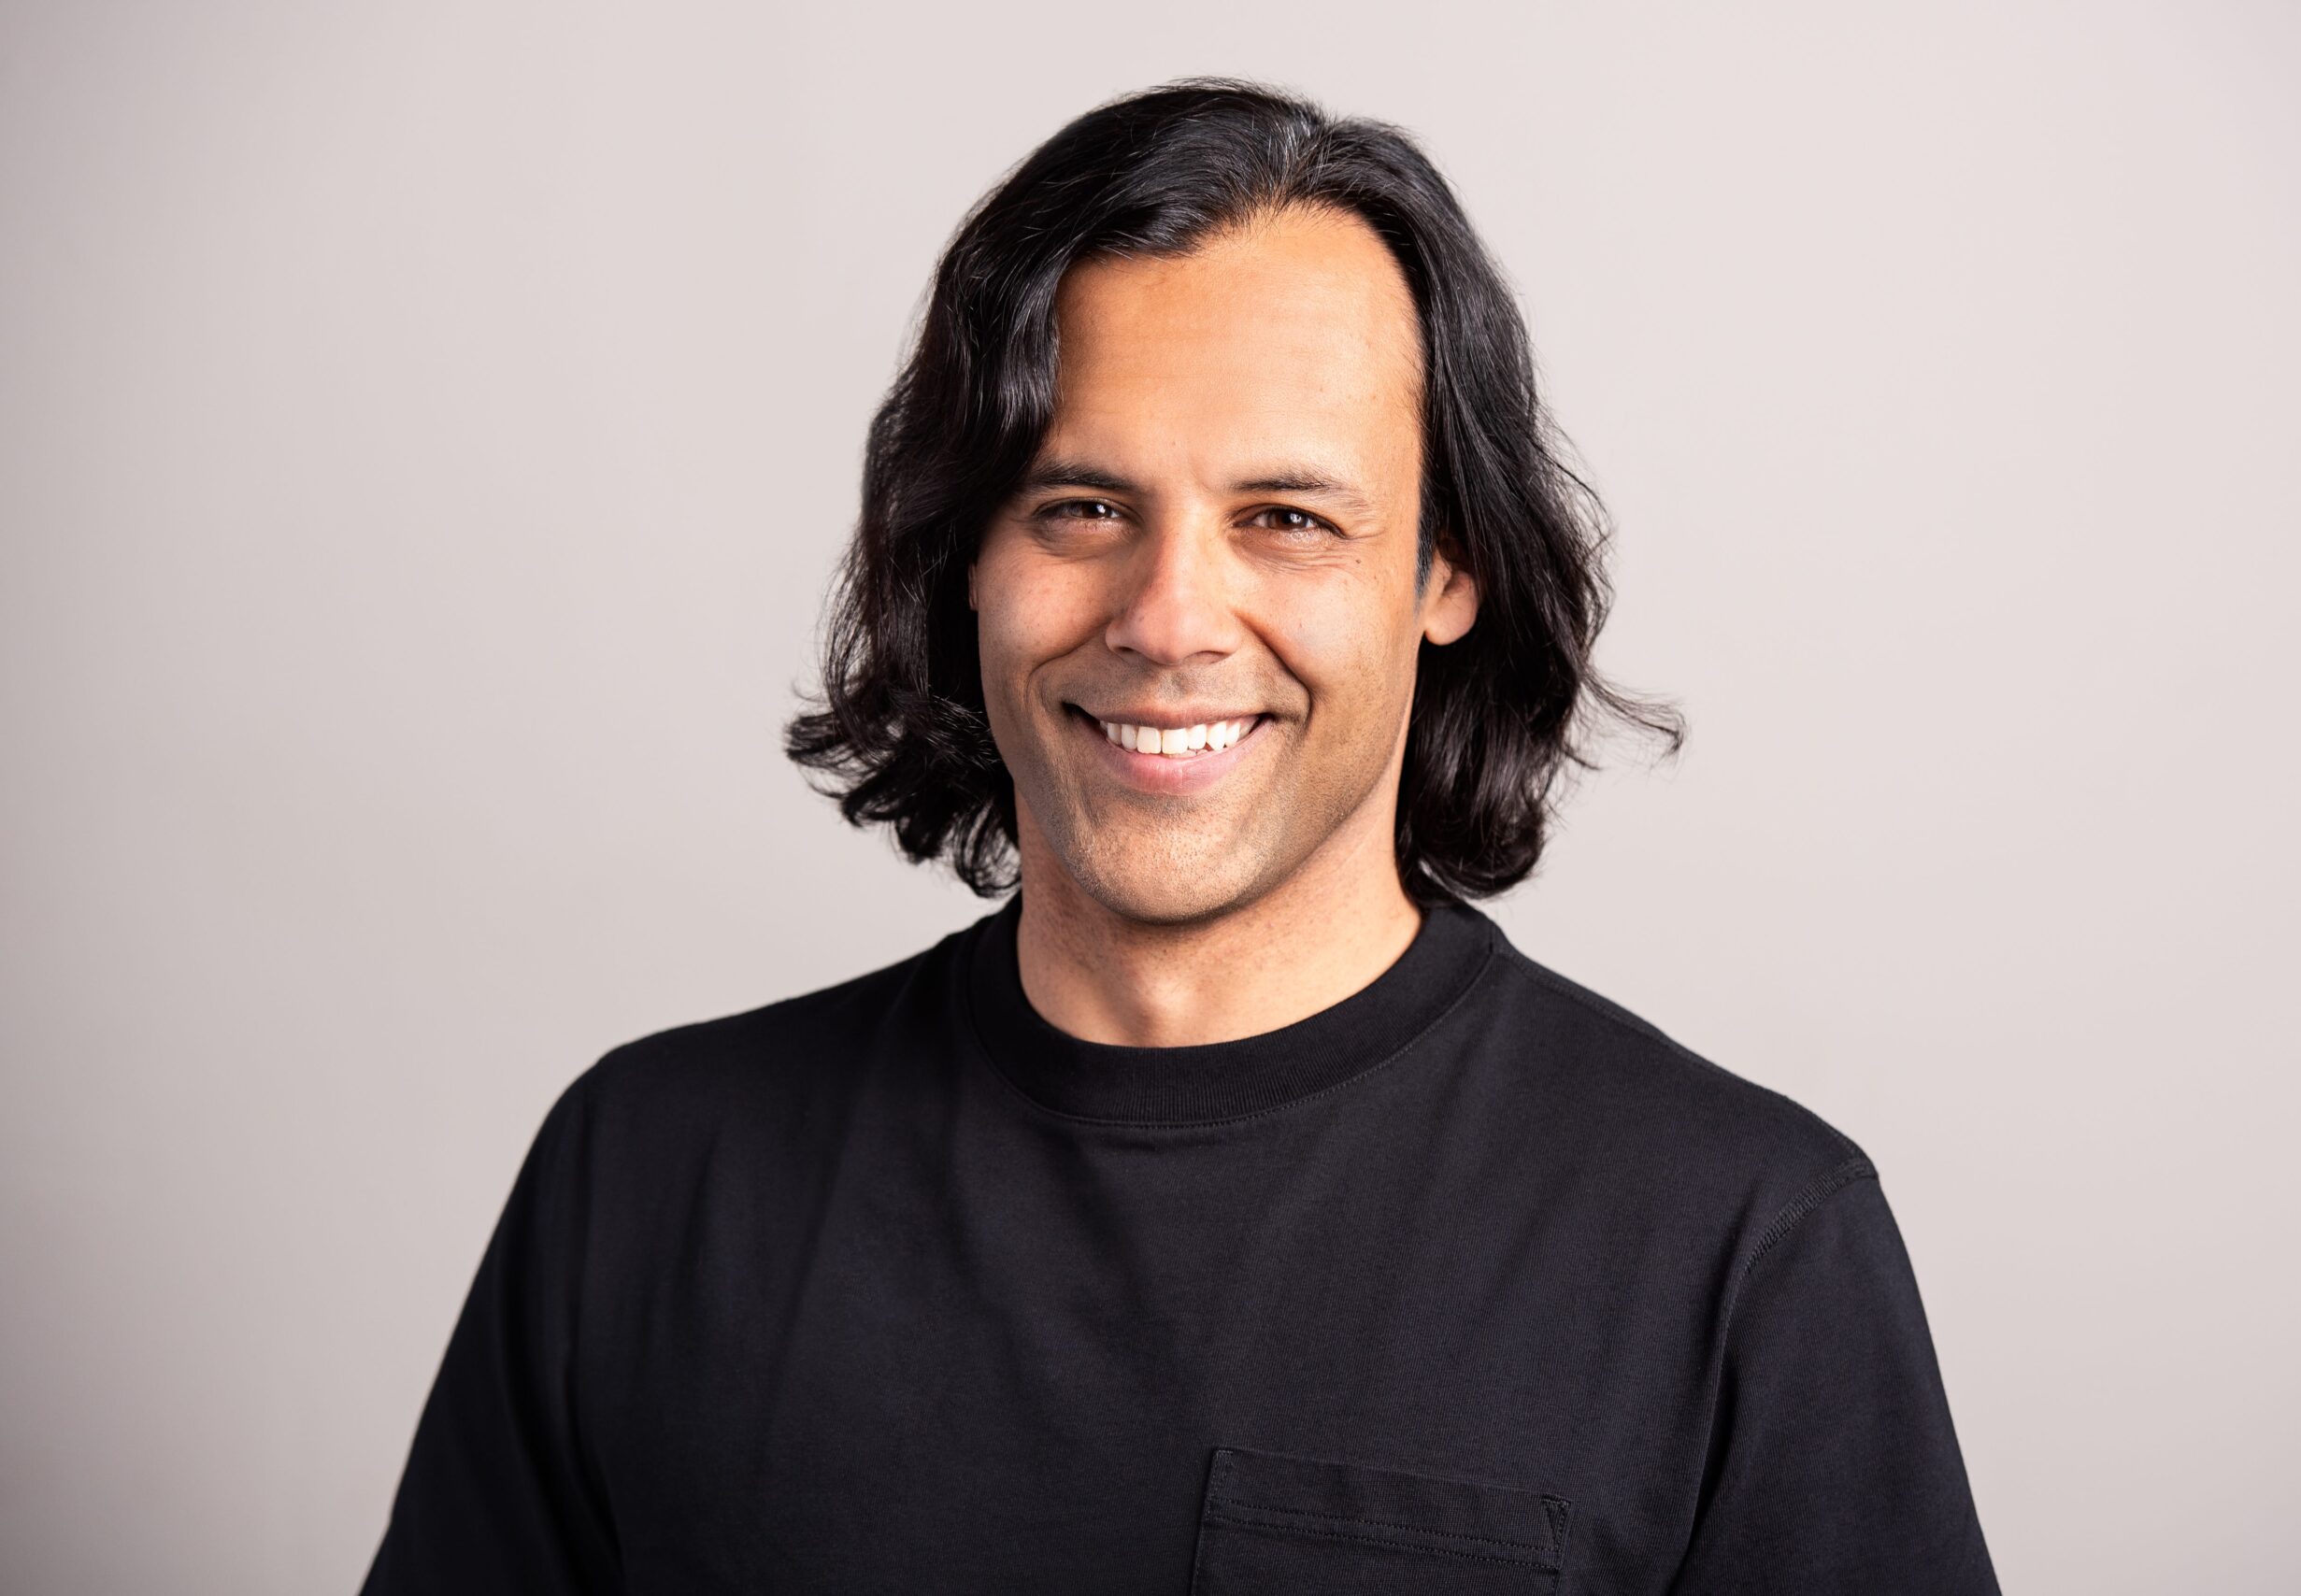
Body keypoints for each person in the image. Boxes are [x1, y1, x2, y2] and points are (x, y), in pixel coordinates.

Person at [362, 77, 2000, 1595]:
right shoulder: (648, 1177)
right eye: (1082, 509)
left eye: (1286, 519)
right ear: (967, 563)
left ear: (1445, 572)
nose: (1167, 618)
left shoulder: (1742, 1243)